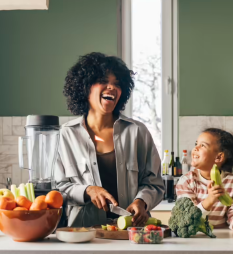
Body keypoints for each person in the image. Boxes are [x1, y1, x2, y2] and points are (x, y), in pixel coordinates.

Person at [55, 52, 164, 227]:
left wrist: (141, 201)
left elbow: (155, 183)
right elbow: (57, 188)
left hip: (132, 233)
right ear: (85, 87)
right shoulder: (65, 135)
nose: (111, 87)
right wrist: (87, 190)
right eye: (104, 81)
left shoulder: (137, 132)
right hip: (83, 235)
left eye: (117, 84)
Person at [176, 128, 233, 233]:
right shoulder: (186, 181)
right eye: (196, 144)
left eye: (202, 145)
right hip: (194, 237)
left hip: (221, 238)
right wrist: (210, 200)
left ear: (218, 157)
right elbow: (187, 218)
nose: (195, 148)